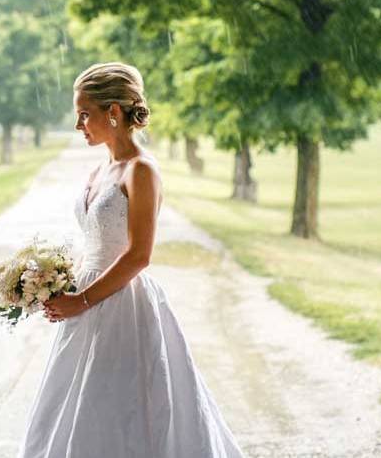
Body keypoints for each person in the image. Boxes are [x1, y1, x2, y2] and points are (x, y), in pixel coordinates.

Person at [17, 62, 247, 458]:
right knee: (69, 404)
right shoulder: (100, 170)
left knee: (121, 408)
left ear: (114, 112)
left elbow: (139, 255)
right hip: (83, 301)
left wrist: (82, 299)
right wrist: (53, 281)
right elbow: (95, 239)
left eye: (84, 114)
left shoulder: (142, 171)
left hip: (122, 304)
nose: (79, 125)